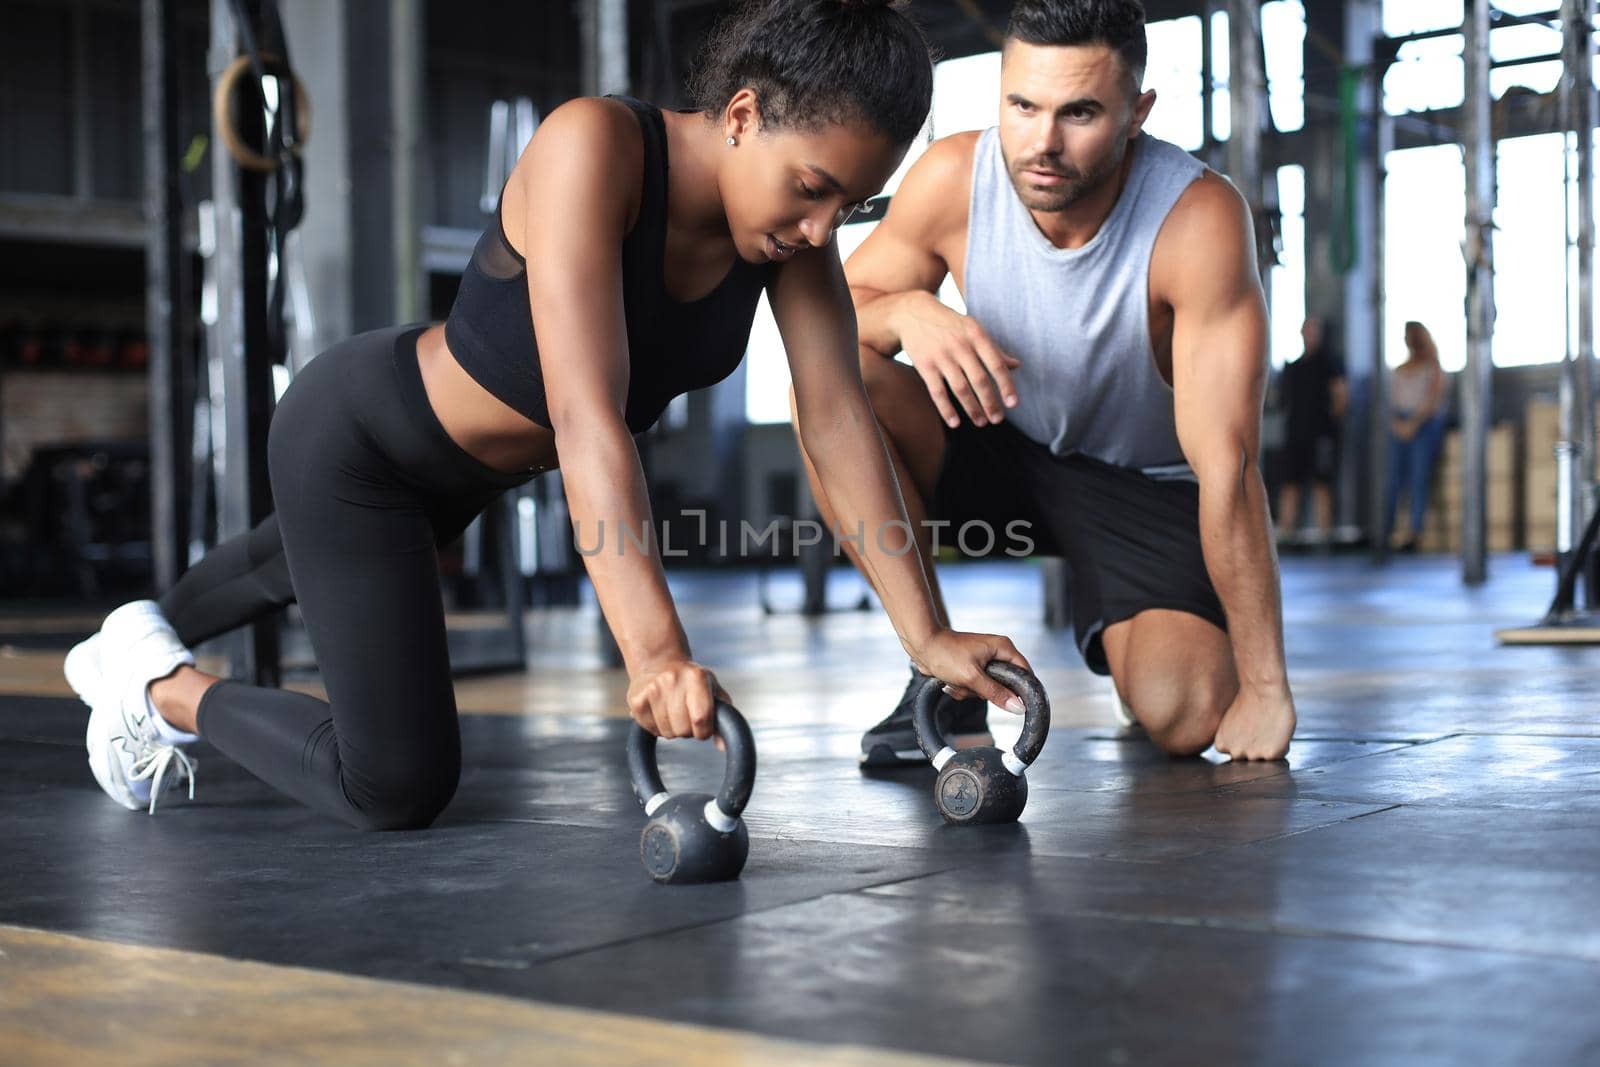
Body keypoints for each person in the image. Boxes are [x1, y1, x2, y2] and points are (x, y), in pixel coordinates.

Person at [62, 0, 1035, 829]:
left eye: (850, 205)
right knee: (396, 785)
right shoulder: (595, 145)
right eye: (813, 189)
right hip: (358, 441)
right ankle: (159, 689)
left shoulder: (792, 242)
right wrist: (655, 652)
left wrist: (928, 637)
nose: (822, 228)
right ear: (741, 114)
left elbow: (836, 419)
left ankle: (130, 633)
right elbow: (586, 419)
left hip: (465, 476)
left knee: (288, 559)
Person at [791, 0, 1295, 763]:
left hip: (1145, 488)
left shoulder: (1197, 220)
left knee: (1185, 710)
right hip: (1006, 440)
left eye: (1080, 112)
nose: (1043, 142)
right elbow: (828, 322)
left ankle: (1125, 623)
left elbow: (1231, 467)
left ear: (1137, 112)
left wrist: (1265, 686)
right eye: (1022, 105)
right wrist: (905, 311)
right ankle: (939, 680)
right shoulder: (955, 178)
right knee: (835, 379)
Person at [1275, 316, 1348, 545]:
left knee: (1321, 482)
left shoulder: (1329, 363)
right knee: (1290, 482)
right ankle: (1286, 532)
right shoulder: (1294, 367)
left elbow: (1340, 394)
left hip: (1321, 434)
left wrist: (1330, 423)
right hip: (1296, 433)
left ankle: (1324, 534)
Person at [1382, 320, 1447, 552]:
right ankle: (1385, 532)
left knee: (1419, 478)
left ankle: (1414, 533)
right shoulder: (1400, 370)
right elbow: (1389, 403)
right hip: (1399, 423)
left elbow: (1433, 400)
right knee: (1392, 480)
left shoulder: (1433, 368)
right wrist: (1398, 424)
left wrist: (1413, 423)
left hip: (1423, 424)